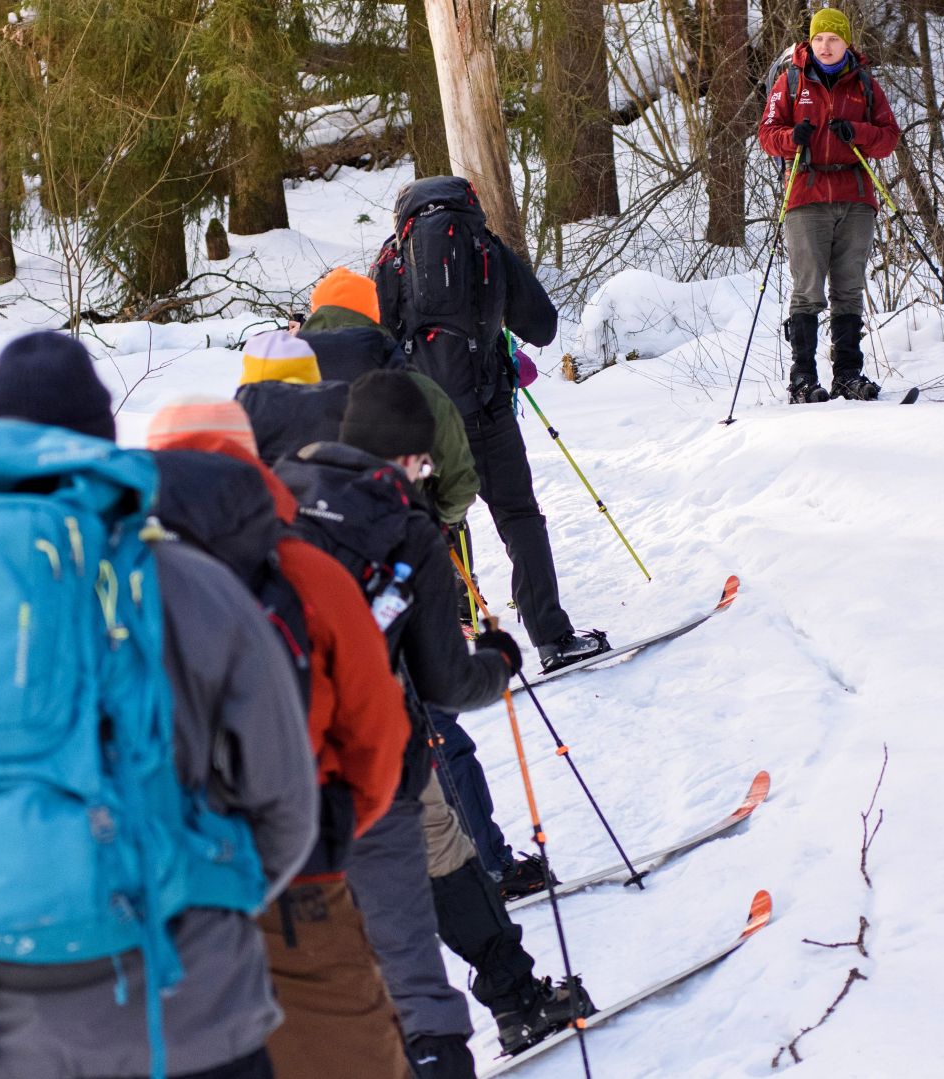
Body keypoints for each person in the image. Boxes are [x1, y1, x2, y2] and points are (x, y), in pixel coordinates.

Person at [0, 331, 318, 1079]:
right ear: (102, 447)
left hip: (4, 1033)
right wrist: (194, 893)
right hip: (190, 1012)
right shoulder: (190, 585)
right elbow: (286, 806)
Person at [276, 371, 596, 1074]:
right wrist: (501, 659)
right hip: (369, 742)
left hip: (268, 755)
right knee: (434, 867)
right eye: (422, 462)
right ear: (407, 458)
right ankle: (511, 1001)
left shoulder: (286, 485)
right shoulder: (402, 522)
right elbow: (445, 680)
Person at [145, 396, 414, 1079]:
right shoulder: (305, 570)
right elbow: (377, 734)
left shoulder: (94, 575)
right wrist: (328, 826)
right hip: (297, 882)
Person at [371, 176, 609, 673]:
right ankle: (551, 637)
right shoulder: (485, 247)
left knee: (441, 518)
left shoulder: (391, 259)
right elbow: (543, 325)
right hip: (487, 410)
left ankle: (459, 621)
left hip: (423, 419)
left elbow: (377, 340)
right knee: (519, 515)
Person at [757, 7, 900, 404]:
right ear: (811, 41)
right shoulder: (790, 81)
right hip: (806, 194)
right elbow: (767, 134)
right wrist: (792, 137)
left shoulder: (865, 84)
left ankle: (848, 375)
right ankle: (802, 377)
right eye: (820, 38)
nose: (826, 45)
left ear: (846, 42)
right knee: (807, 290)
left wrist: (858, 132)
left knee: (849, 288)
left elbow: (888, 138)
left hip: (855, 195)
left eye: (834, 39)